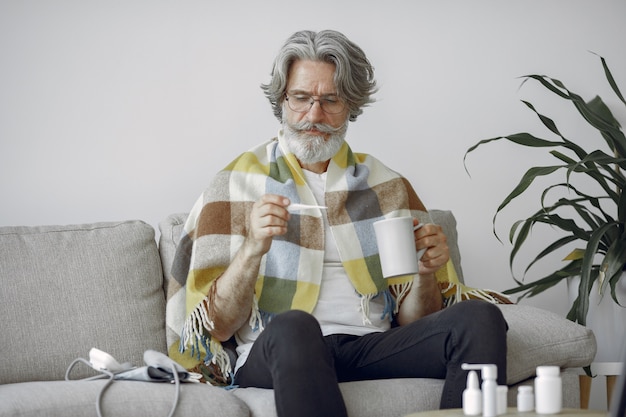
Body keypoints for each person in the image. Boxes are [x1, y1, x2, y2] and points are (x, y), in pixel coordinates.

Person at [171, 29, 508, 417]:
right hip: (282, 348)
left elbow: (418, 320)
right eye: (301, 98)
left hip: (369, 347)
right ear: (282, 99)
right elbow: (215, 328)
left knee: (480, 319)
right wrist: (252, 249)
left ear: (351, 106)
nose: (314, 115)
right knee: (295, 327)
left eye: (330, 100)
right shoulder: (235, 185)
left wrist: (425, 273)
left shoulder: (385, 186)